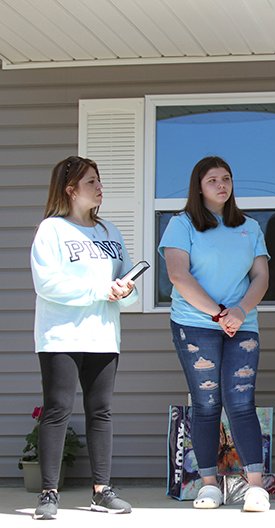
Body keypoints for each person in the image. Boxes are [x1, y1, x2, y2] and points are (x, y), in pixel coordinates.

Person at [159, 156, 271, 512]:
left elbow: (261, 277)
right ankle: (209, 485)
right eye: (213, 180)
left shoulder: (250, 227)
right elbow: (178, 275)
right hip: (195, 323)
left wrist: (238, 312)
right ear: (199, 186)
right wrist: (219, 312)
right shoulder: (182, 224)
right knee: (206, 405)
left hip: (241, 324)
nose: (222, 185)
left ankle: (255, 486)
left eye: (227, 178)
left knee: (241, 401)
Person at [30, 156, 137, 520]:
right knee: (57, 409)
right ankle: (48, 493)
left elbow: (129, 285)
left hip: (103, 335)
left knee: (101, 412)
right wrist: (99, 289)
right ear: (70, 189)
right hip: (60, 335)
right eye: (92, 181)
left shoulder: (111, 232)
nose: (100, 187)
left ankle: (101, 490)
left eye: (100, 180)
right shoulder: (52, 230)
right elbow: (47, 284)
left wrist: (126, 291)